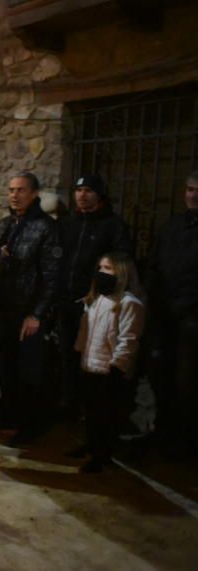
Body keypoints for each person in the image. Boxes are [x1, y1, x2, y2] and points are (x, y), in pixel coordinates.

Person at [0, 172, 61, 445]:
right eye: (11, 190)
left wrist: (37, 314)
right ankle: (10, 416)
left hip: (27, 312)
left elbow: (52, 276)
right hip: (3, 307)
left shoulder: (45, 228)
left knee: (28, 372)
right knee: (5, 366)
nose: (14, 195)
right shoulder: (6, 224)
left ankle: (31, 425)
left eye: (20, 190)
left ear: (34, 194)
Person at [57, 174, 132, 419]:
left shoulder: (112, 225)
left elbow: (119, 265)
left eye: (88, 190)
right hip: (66, 301)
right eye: (78, 190)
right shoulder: (69, 224)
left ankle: (93, 415)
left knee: (93, 361)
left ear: (99, 195)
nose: (82, 195)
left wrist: (97, 294)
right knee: (67, 356)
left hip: (95, 304)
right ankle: (69, 406)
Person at [73, 252, 144, 473]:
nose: (103, 273)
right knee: (91, 411)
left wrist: (117, 367)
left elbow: (128, 339)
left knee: (106, 415)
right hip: (89, 364)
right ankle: (91, 444)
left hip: (109, 369)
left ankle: (102, 455)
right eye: (101, 268)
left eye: (109, 269)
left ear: (121, 273)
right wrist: (80, 353)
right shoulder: (95, 299)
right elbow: (86, 332)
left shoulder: (129, 303)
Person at [146, 170, 198, 458]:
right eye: (190, 189)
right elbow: (155, 264)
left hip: (192, 320)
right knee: (161, 376)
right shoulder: (172, 226)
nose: (193, 195)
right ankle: (163, 432)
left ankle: (186, 442)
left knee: (188, 382)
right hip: (164, 316)